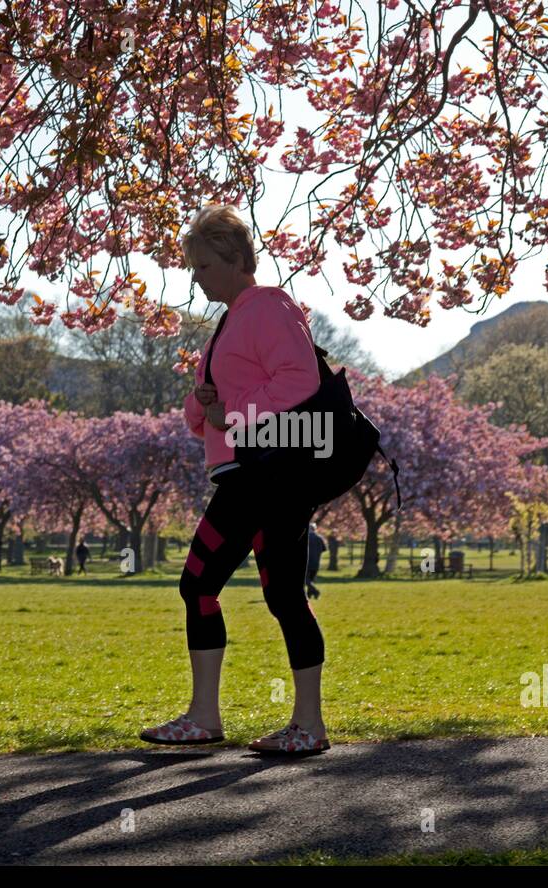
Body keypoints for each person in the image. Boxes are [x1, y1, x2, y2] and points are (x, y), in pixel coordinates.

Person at [140, 204, 329, 755]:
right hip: (251, 473)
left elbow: (300, 380)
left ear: (231, 259)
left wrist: (233, 412)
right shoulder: (231, 320)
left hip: (265, 476)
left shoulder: (268, 308)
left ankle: (208, 717)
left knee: (200, 585)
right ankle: (306, 726)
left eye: (201, 265)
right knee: (284, 596)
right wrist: (205, 407)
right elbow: (214, 413)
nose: (194, 276)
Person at [306, 522, 326, 599]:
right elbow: (324, 549)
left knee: (305, 580)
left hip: (307, 562)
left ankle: (315, 591)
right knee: (310, 579)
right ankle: (309, 595)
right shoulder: (319, 538)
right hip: (316, 562)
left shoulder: (306, 538)